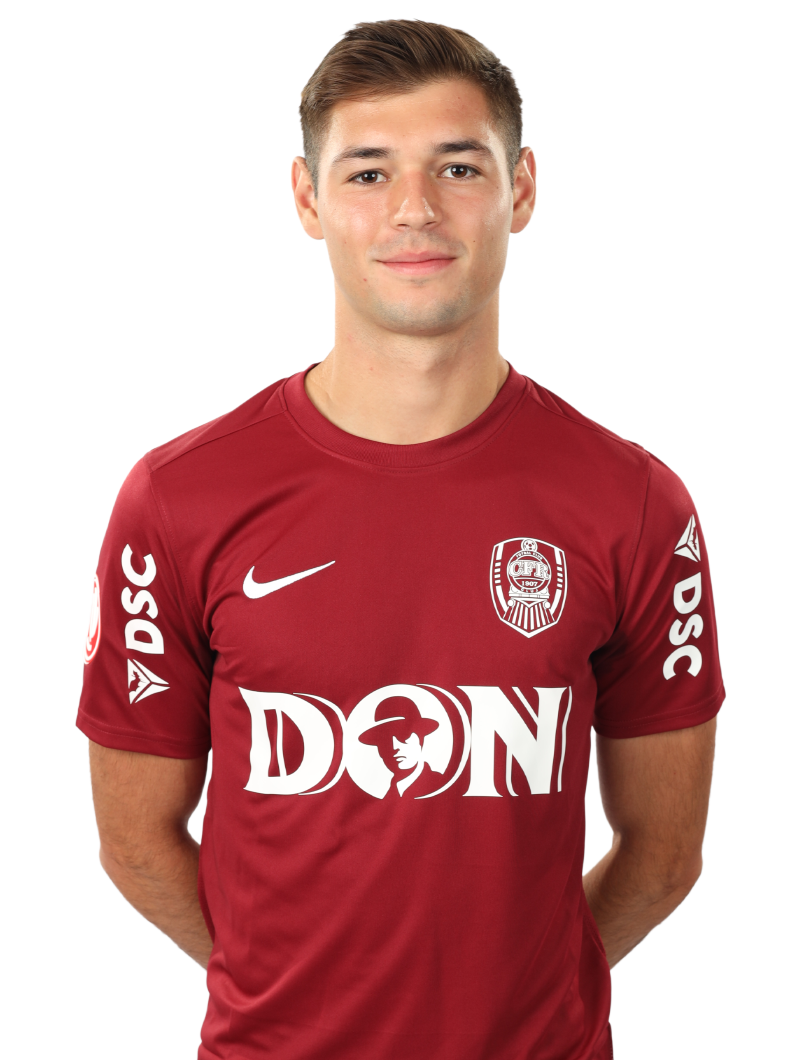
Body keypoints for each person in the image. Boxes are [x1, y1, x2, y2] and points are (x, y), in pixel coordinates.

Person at [78, 19, 723, 1060]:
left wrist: (526, 995)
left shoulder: (635, 504)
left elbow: (663, 854)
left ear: (519, 189)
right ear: (307, 199)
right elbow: (134, 841)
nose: (414, 209)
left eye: (457, 167)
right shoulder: (178, 498)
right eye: (368, 172)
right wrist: (286, 992)